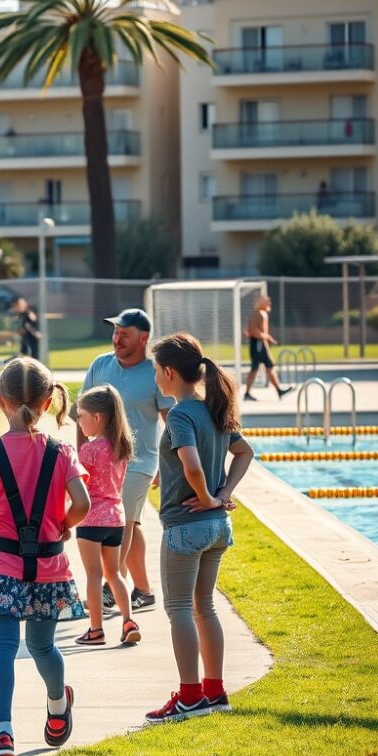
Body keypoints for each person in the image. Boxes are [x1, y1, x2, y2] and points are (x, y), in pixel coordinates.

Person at [0, 357, 90, 756]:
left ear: (0, 402)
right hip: (49, 566)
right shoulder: (62, 451)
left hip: (2, 566)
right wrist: (62, 526)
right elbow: (82, 503)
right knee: (43, 647)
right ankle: (57, 704)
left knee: (4, 647)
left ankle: (2, 733)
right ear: (49, 403)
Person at [146, 333, 254, 724]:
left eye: (157, 370)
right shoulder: (214, 406)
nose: (155, 377)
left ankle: (190, 696)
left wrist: (209, 495)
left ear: (170, 372)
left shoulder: (179, 414)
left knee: (178, 609)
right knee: (204, 607)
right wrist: (222, 494)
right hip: (216, 527)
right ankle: (214, 690)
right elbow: (244, 452)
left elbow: (191, 464)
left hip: (186, 526)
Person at [78, 308, 173, 618]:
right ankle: (144, 591)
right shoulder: (99, 365)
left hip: (139, 462)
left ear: (143, 338)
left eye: (124, 334)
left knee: (121, 521)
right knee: (131, 521)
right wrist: (82, 461)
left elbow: (170, 421)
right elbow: (80, 415)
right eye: (115, 332)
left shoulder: (155, 373)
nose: (116, 339)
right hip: (100, 464)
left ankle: (108, 588)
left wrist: (167, 463)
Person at [73, 384, 142, 648]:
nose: (79, 422)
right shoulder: (121, 447)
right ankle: (128, 621)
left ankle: (96, 629)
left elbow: (79, 485)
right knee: (114, 574)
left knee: (92, 574)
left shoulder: (89, 450)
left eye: (81, 416)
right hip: (116, 519)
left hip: (91, 520)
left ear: (98, 417)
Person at [243, 294, 293, 401]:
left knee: (267, 367)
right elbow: (252, 330)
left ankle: (279, 390)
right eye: (267, 301)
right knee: (258, 368)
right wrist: (267, 337)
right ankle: (247, 393)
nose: (269, 303)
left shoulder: (262, 313)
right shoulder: (259, 314)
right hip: (258, 344)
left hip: (260, 344)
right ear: (261, 303)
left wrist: (267, 338)